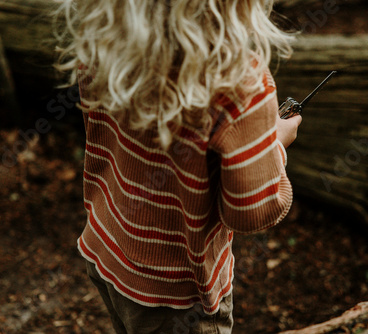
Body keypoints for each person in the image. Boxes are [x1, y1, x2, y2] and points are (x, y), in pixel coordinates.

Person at [55, 0, 301, 332]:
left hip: (106, 248)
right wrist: (274, 147)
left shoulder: (103, 41)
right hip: (178, 296)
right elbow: (252, 213)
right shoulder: (240, 83)